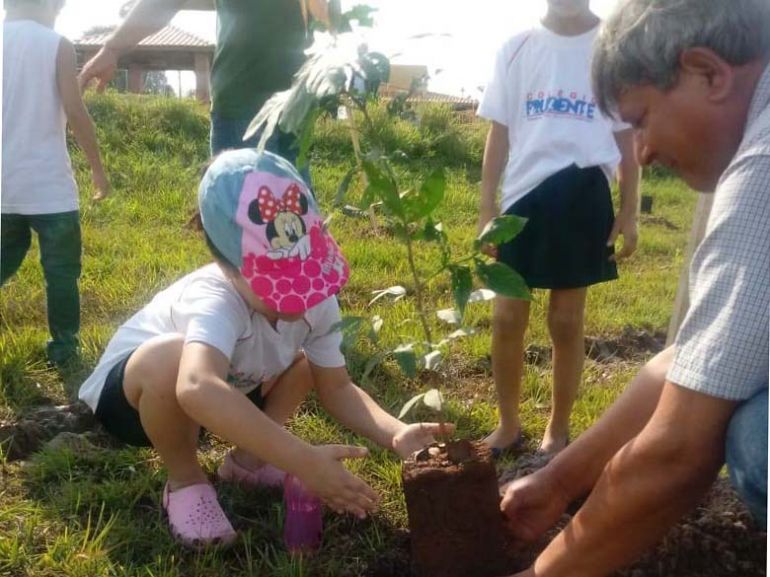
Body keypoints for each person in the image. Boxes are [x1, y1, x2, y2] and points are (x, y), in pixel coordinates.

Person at [501, 0, 769, 574]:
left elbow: (677, 449)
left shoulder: (763, 169)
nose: (641, 150)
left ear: (708, 73)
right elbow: (696, 358)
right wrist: (560, 481)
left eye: (641, 117)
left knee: (758, 440)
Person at [78, 148, 448, 547]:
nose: (300, 298)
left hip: (228, 392)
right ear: (228, 267)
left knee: (308, 364)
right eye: (281, 285)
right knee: (169, 357)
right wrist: (303, 460)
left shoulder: (316, 297)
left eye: (304, 277)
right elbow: (196, 387)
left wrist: (396, 434)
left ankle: (247, 463)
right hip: (138, 403)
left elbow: (337, 387)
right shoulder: (213, 297)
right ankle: (186, 481)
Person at [477, 0, 640, 456]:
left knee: (566, 321)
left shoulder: (614, 49)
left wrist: (629, 210)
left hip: (584, 194)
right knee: (507, 316)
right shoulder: (516, 47)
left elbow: (627, 140)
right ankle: (508, 425)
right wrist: (487, 206)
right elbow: (500, 133)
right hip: (522, 201)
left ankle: (558, 428)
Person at [77, 0, 328, 164]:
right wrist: (112, 49)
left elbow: (327, 14)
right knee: (248, 228)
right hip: (244, 111)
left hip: (295, 110)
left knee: (300, 231)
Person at [2, 0, 110, 366]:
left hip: (5, 186)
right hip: (50, 190)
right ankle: (64, 349)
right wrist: (97, 170)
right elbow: (75, 111)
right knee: (61, 274)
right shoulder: (56, 44)